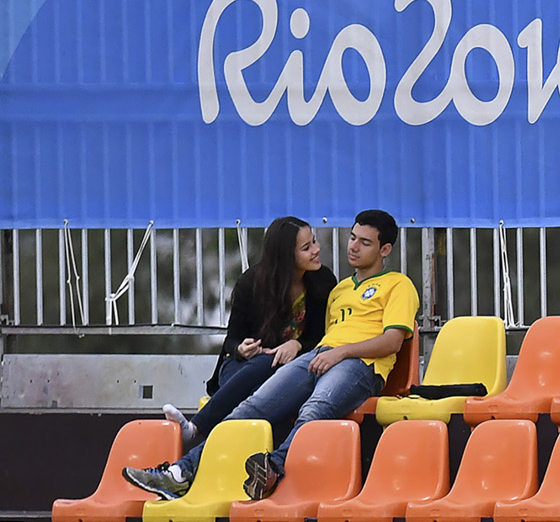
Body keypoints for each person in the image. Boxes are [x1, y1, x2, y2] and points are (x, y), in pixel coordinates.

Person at [126, 209, 419, 502]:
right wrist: (320, 352)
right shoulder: (339, 289)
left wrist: (340, 353)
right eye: (352, 237)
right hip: (320, 357)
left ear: (385, 249)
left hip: (360, 365)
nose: (353, 246)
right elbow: (321, 335)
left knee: (313, 410)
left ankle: (272, 468)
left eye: (365, 242)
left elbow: (392, 341)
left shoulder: (399, 285)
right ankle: (179, 472)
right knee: (250, 409)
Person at [164, 215, 337, 447]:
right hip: (241, 366)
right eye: (307, 248)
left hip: (289, 369)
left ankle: (196, 429)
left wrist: (297, 345)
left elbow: (323, 336)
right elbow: (231, 340)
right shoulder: (252, 282)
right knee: (262, 370)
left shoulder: (322, 281)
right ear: (286, 255)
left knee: (268, 376)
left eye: (314, 242)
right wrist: (241, 348)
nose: (317, 250)